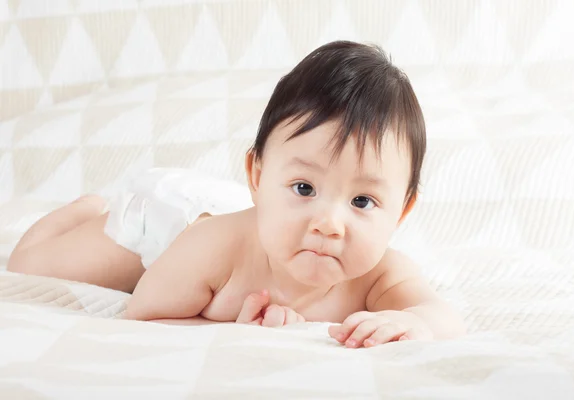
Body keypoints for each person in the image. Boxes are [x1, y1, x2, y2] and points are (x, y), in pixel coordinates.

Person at [7, 40, 465, 348]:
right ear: (258, 175)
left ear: (401, 212)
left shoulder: (383, 275)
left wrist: (415, 323)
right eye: (304, 188)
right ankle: (85, 211)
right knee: (30, 267)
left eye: (362, 202)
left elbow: (442, 315)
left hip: (239, 211)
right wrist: (216, 322)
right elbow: (142, 312)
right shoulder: (211, 251)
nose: (329, 222)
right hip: (169, 224)